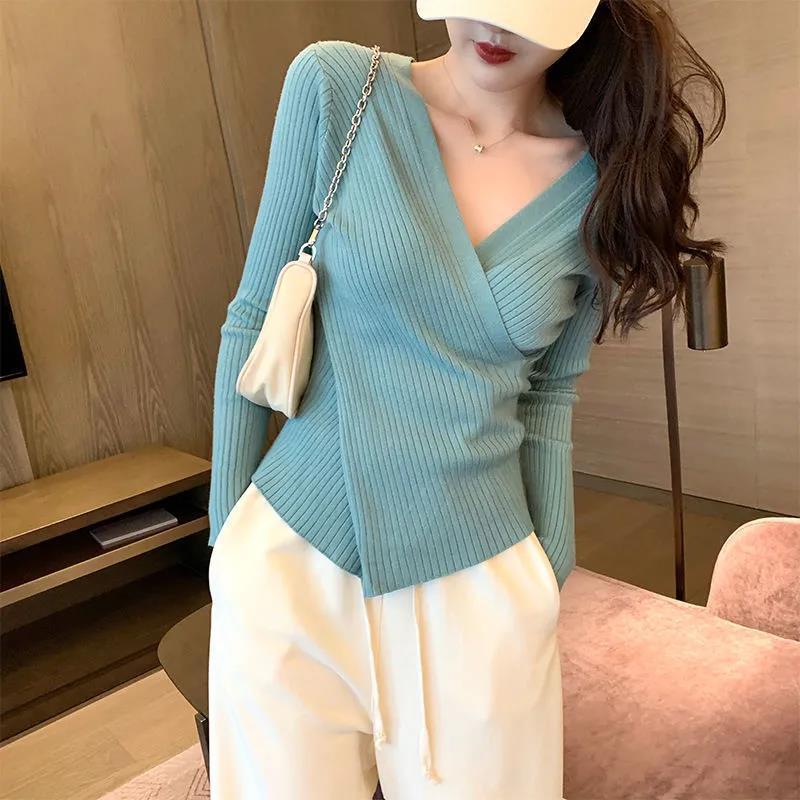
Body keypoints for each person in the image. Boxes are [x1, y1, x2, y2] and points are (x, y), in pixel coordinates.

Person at [205, 2, 726, 798]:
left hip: (478, 585)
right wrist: (225, 549)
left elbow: (549, 395)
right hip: (290, 564)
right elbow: (251, 317)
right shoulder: (337, 90)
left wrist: (546, 578)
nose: (496, 24)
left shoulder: (601, 185)